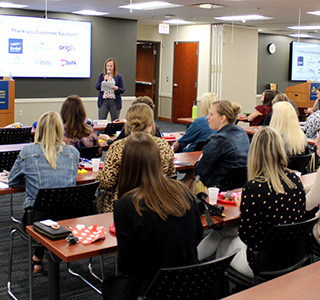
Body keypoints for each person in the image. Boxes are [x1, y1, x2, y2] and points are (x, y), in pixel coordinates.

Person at [103, 132, 203, 299]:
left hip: (152, 288)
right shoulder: (183, 191)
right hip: (190, 282)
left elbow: (126, 264)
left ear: (126, 164)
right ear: (157, 160)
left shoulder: (127, 205)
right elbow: (198, 234)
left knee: (110, 286)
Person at [198, 127, 306, 278]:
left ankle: (203, 275)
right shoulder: (294, 179)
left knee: (222, 244)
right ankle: (192, 264)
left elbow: (247, 236)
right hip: (293, 256)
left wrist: (244, 208)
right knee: (220, 233)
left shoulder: (254, 187)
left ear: (254, 153)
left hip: (262, 262)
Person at [8, 111, 79, 272]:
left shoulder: (28, 152)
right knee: (53, 208)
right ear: (61, 130)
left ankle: (38, 258)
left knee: (48, 210)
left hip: (37, 219)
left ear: (38, 129)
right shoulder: (73, 153)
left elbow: (12, 181)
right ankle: (38, 257)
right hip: (69, 217)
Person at [96, 103, 176, 213]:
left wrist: (98, 175)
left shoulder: (118, 147)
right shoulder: (164, 145)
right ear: (150, 124)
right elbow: (171, 175)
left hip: (122, 205)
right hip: (157, 204)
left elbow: (107, 182)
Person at [191, 100, 250, 189]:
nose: (207, 117)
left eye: (211, 114)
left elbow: (200, 170)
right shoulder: (241, 132)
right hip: (242, 185)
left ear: (222, 118)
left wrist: (199, 161)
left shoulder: (217, 140)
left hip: (217, 187)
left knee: (191, 181)